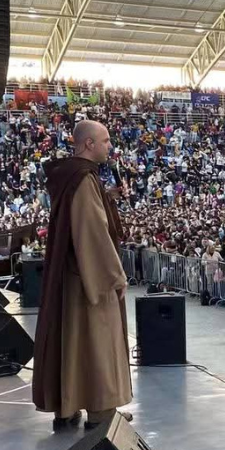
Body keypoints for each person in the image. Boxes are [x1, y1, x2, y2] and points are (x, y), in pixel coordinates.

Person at [32, 120, 133, 432]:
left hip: (66, 275)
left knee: (69, 342)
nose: (109, 146)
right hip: (87, 275)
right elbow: (92, 230)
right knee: (97, 340)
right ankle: (101, 411)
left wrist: (108, 196)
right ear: (89, 144)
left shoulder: (69, 175)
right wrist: (114, 275)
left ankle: (66, 407)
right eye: (105, 141)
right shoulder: (84, 178)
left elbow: (79, 214)